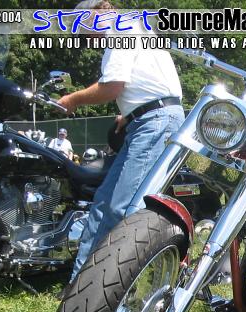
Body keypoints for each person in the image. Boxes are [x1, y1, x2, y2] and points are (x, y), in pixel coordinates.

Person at [58, 0, 184, 281]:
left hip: (155, 121)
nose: (84, 37)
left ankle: (115, 287)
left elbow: (113, 87)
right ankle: (81, 282)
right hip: (148, 118)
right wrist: (129, 114)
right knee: (104, 203)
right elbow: (151, 84)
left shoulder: (120, 29)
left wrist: (72, 99)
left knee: (125, 207)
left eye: (81, 27)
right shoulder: (135, 28)